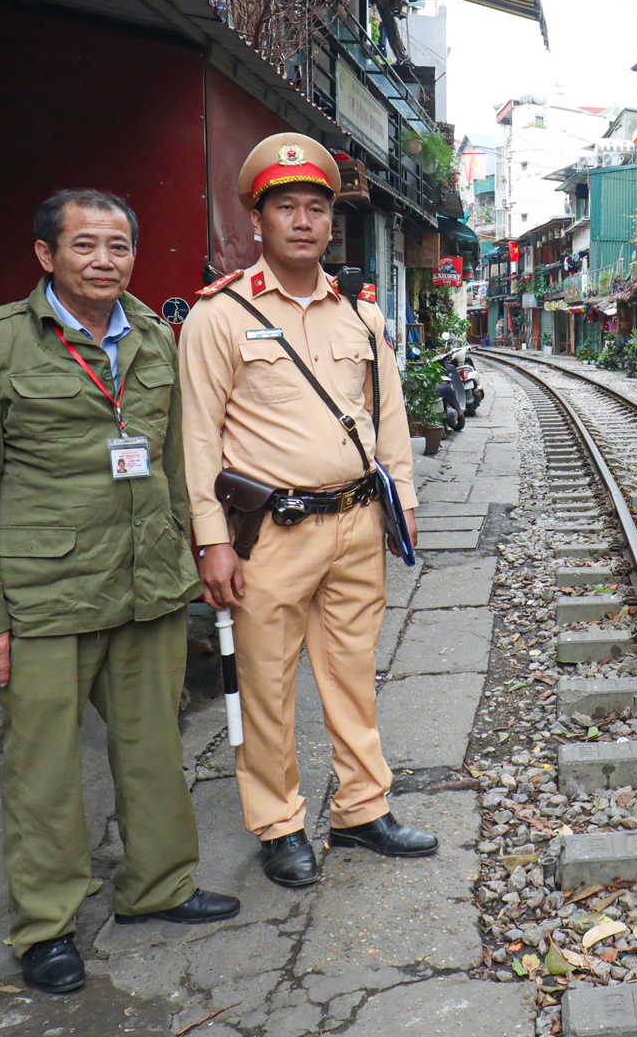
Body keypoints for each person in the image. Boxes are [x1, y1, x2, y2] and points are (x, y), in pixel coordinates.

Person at [0, 190, 239, 994]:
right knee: (42, 770)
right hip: (42, 595)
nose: (104, 261)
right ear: (46, 255)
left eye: (119, 246)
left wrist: (200, 550)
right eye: (84, 245)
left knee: (153, 750)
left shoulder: (151, 336)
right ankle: (46, 926)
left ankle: (159, 887)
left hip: (146, 586)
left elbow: (175, 459)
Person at [179, 134, 433, 890]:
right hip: (270, 534)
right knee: (266, 683)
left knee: (354, 674)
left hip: (356, 523)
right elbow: (198, 437)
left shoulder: (359, 315)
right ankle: (280, 823)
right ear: (257, 220)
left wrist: (403, 502)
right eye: (285, 207)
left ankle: (362, 808)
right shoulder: (220, 315)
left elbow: (388, 416)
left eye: (315, 208)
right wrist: (211, 540)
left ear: (331, 223)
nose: (302, 221)